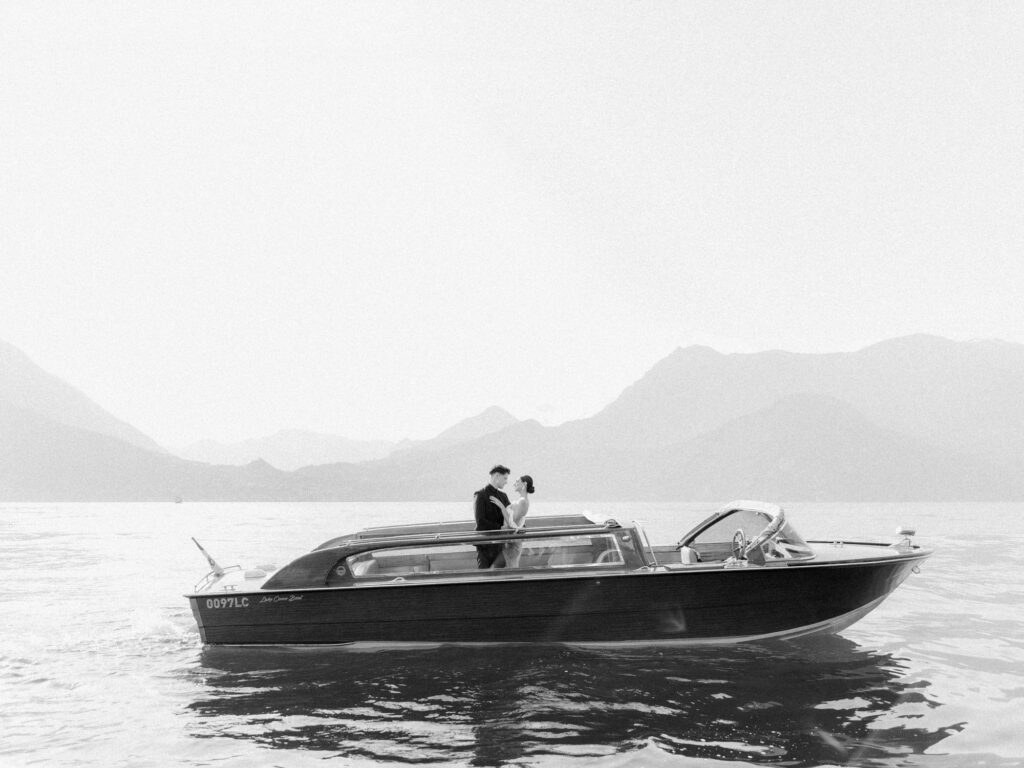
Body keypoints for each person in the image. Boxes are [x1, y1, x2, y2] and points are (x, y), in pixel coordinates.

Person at [474, 465, 511, 568]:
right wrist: (500, 528)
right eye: (505, 478)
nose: (506, 482)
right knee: (484, 577)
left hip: (501, 546)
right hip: (485, 546)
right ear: (497, 476)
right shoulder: (480, 495)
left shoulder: (503, 496)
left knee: (500, 578)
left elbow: (511, 516)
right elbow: (480, 521)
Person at [499, 475, 534, 568]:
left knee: (512, 566)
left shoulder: (523, 501)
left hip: (512, 541)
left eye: (517, 481)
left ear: (524, 484)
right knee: (510, 566)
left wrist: (501, 507)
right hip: (510, 539)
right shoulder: (521, 500)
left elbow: (511, 523)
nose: (514, 484)